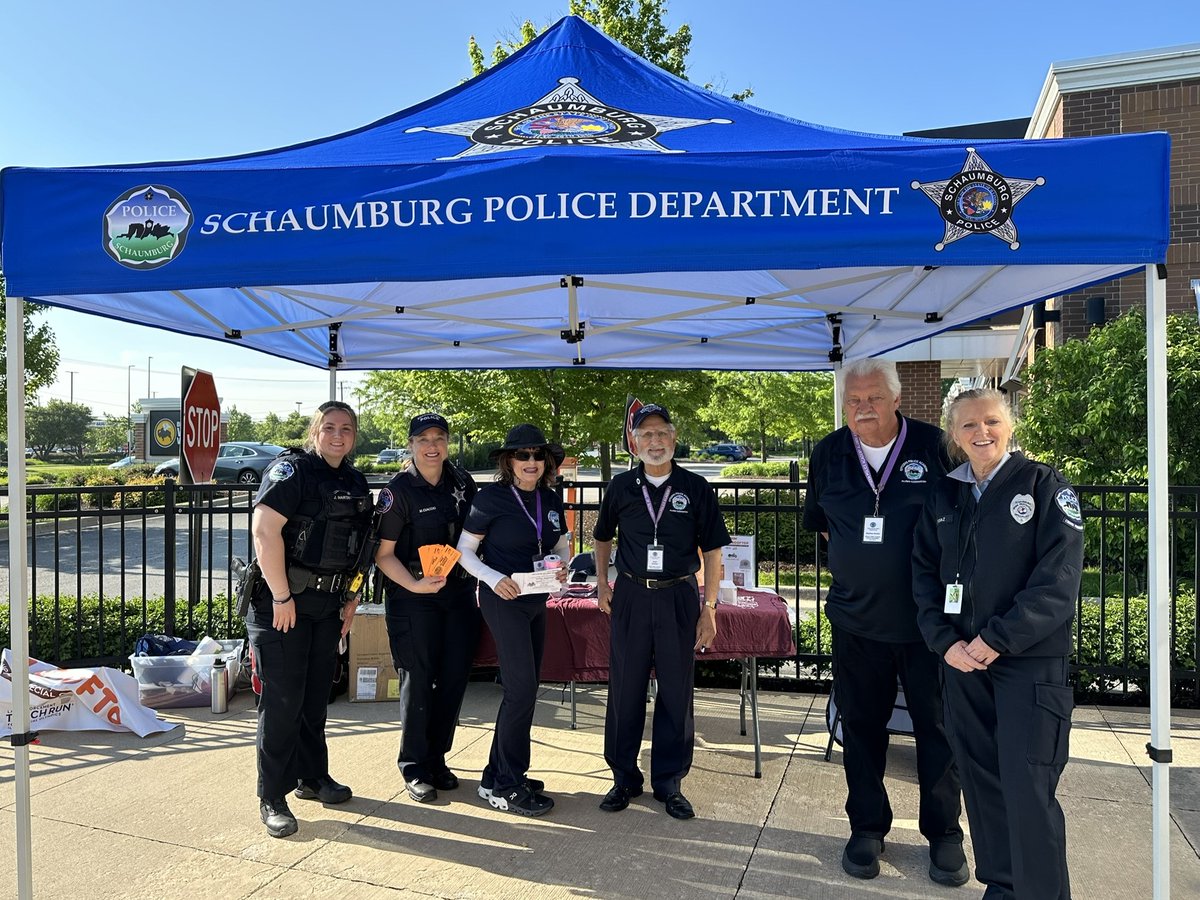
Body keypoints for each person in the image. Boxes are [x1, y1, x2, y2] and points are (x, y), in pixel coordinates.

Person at [912, 388, 1083, 900]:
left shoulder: (1044, 485)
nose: (980, 433)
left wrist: (996, 640)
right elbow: (923, 576)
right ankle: (1003, 886)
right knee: (981, 781)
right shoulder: (944, 494)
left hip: (1026, 665)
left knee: (1029, 786)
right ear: (953, 435)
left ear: (1010, 426)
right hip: (962, 664)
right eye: (967, 425)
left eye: (991, 421)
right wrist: (947, 644)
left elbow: (1059, 581)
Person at [802, 359, 967, 885]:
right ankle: (867, 828)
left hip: (929, 626)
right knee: (863, 728)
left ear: (897, 399)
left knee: (937, 731)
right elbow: (825, 528)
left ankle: (944, 834)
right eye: (853, 400)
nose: (863, 408)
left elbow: (964, 522)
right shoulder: (829, 452)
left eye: (873, 398)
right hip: (856, 622)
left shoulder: (936, 446)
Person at [592, 403, 730, 821]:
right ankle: (623, 777)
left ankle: (669, 783)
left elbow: (712, 550)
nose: (654, 442)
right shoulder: (619, 488)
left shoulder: (697, 487)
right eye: (645, 435)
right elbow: (601, 538)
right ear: (634, 443)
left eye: (661, 433)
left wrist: (710, 606)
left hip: (678, 597)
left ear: (673, 437)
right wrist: (601, 583)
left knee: (676, 691)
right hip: (632, 595)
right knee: (625, 689)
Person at [246, 400, 373, 838]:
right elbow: (264, 531)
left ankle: (312, 777)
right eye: (330, 427)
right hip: (282, 603)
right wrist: (281, 595)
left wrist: (352, 599)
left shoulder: (355, 481)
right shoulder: (292, 471)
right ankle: (273, 795)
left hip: (328, 606)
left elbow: (361, 546)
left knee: (316, 697)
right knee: (281, 702)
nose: (338, 436)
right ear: (315, 431)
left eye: (347, 429)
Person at [456, 424, 570, 817]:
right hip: (503, 599)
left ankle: (497, 774)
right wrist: (493, 577)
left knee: (526, 688)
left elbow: (558, 544)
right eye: (523, 455)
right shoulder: (491, 498)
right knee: (521, 689)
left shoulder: (551, 499)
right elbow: (464, 552)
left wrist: (562, 567)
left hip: (537, 598)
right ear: (509, 461)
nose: (531, 462)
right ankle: (506, 785)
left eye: (538, 455)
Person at [374, 413, 479, 804]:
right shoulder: (398, 491)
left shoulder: (462, 482)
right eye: (423, 439)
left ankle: (437, 760)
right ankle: (414, 766)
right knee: (418, 681)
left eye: (439, 437)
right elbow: (383, 555)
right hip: (412, 597)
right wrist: (416, 584)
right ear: (411, 445)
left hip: (458, 596)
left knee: (453, 679)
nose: (432, 445)